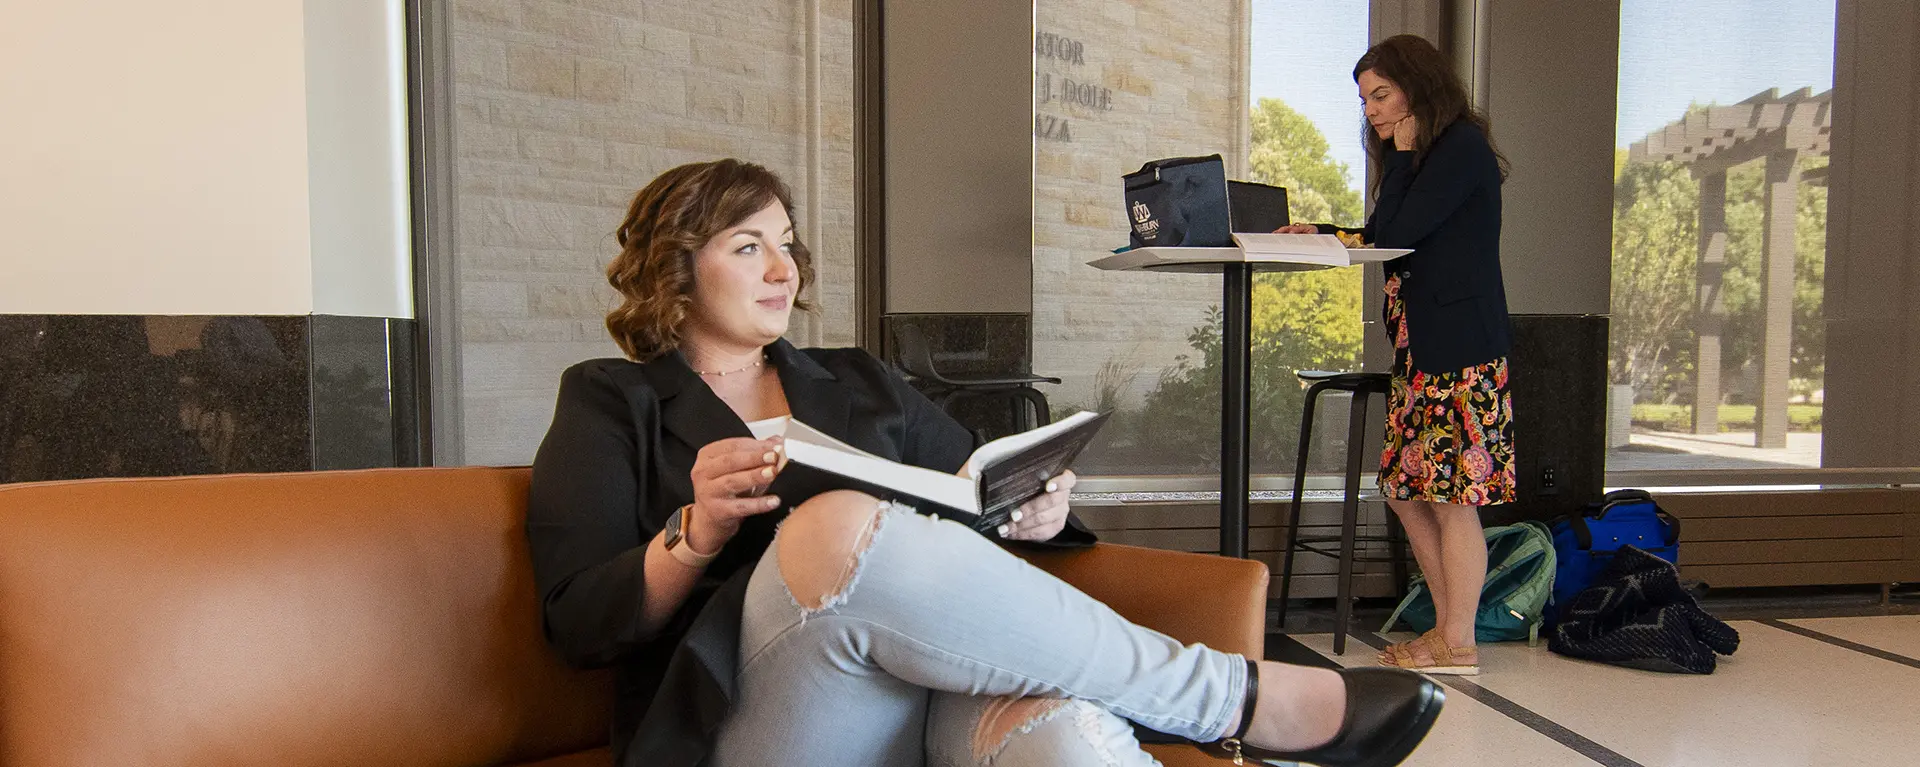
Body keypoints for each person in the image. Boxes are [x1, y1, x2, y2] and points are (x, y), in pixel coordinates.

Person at [527, 158, 1444, 767]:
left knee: (1068, 734)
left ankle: (1215, 704)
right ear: (677, 270)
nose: (783, 267)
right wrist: (692, 534)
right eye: (746, 245)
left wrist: (1034, 509)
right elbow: (579, 622)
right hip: (757, 720)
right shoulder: (614, 397)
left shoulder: (854, 378)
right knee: (838, 522)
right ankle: (1229, 699)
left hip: (927, 701)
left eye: (786, 241)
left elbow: (973, 481)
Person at [1277, 34, 1516, 675]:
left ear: (1418, 89)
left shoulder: (1458, 146)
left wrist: (1404, 152)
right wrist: (1322, 232)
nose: (1373, 112)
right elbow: (1384, 232)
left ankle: (1457, 640)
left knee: (1449, 496)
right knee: (1409, 492)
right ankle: (1445, 630)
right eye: (1365, 100)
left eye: (1382, 95)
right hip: (1418, 352)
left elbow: (1404, 234)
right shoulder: (1419, 157)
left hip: (1460, 352)